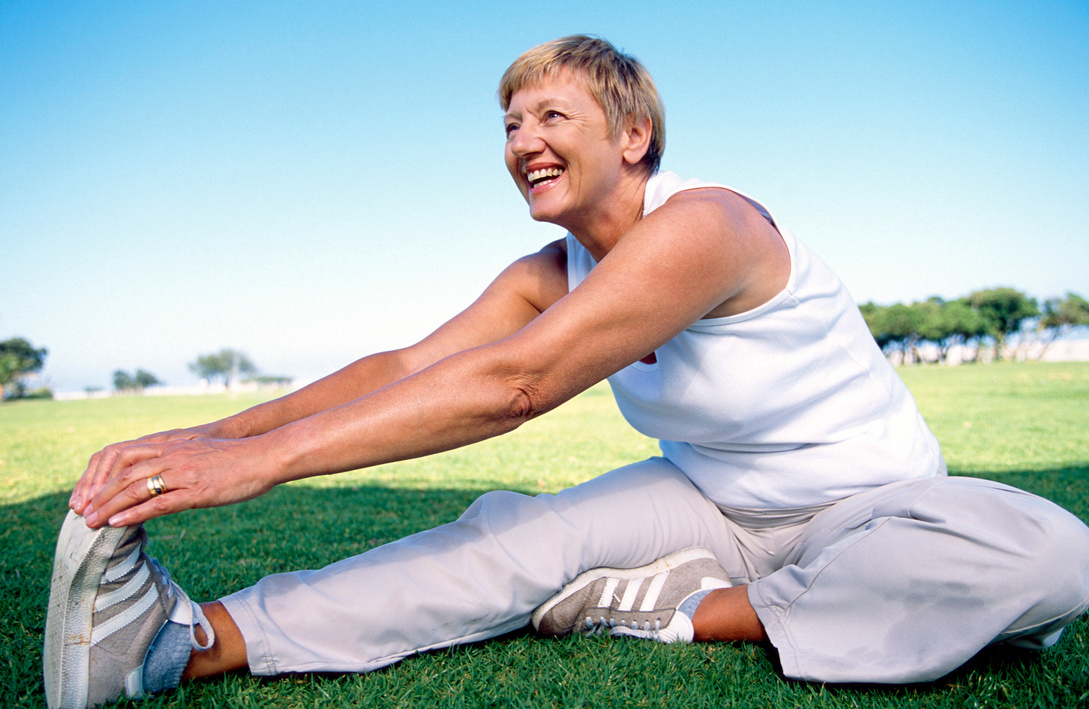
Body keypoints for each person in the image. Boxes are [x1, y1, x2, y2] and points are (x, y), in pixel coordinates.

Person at [44, 35, 1089, 708]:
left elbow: (518, 386)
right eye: (510, 123)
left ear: (634, 136)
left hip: (872, 506)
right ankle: (181, 641)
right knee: (512, 536)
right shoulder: (550, 271)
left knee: (1053, 557)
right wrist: (216, 439)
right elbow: (409, 365)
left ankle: (705, 608)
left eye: (552, 117)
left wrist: (261, 468)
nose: (522, 141)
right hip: (711, 498)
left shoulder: (708, 226)